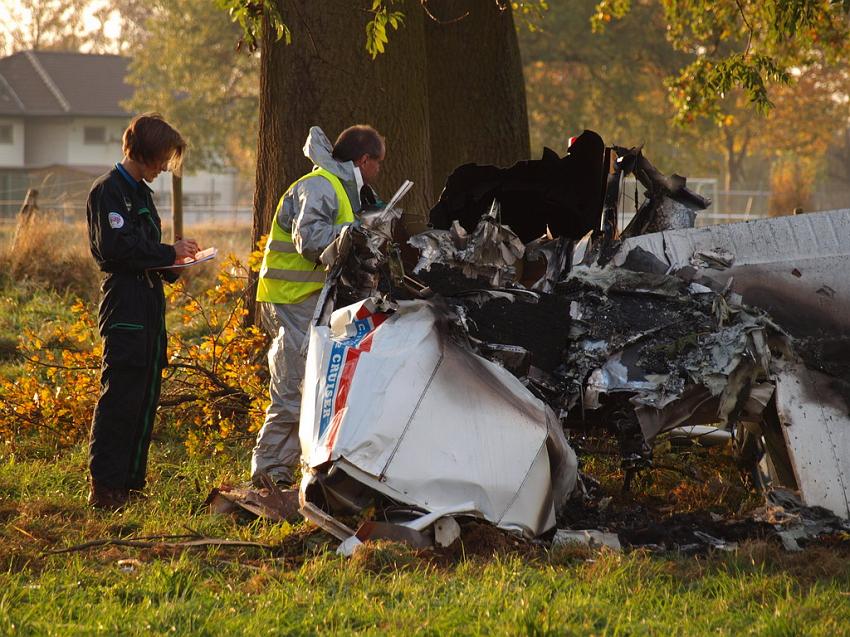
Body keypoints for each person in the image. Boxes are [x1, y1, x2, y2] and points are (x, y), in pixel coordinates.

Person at [251, 124, 385, 487]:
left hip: (305, 303)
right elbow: (309, 239)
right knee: (293, 391)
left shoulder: (337, 188)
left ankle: (286, 473)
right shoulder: (321, 186)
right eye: (377, 164)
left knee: (309, 388)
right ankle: (269, 479)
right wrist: (355, 237)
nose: (378, 172)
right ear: (364, 159)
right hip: (291, 302)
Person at [86, 113, 199, 510]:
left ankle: (131, 483)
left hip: (150, 303)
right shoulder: (109, 192)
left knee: (145, 396)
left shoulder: (143, 194)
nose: (167, 166)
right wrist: (167, 252)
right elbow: (117, 250)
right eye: (164, 157)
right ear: (148, 153)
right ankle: (105, 487)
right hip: (125, 305)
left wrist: (175, 263)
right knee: (121, 396)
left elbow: (145, 252)